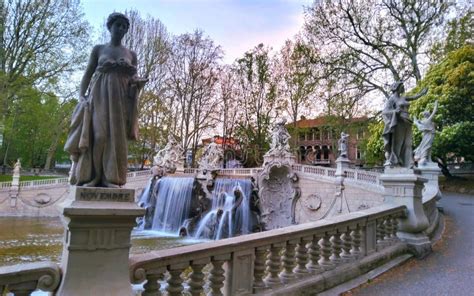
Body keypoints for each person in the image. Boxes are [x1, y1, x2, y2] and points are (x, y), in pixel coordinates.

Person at [65, 12, 147, 187]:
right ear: (110, 27)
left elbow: (133, 79)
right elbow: (88, 74)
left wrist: (138, 83)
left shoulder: (131, 54)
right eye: (118, 25)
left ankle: (111, 179)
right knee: (99, 136)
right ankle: (93, 177)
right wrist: (81, 96)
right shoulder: (99, 49)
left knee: (116, 139)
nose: (121, 29)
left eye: (124, 27)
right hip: (99, 95)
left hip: (120, 98)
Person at [382, 81, 427, 168]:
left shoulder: (403, 97)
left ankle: (409, 163)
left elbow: (414, 97)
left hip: (407, 122)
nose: (403, 87)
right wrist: (395, 111)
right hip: (399, 122)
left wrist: (422, 93)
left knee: (408, 143)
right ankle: (396, 162)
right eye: (402, 86)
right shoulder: (392, 99)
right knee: (399, 143)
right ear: (397, 88)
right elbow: (385, 112)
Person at [414, 101, 438, 165]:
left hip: (428, 135)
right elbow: (434, 111)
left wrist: (416, 120)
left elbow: (418, 123)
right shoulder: (428, 120)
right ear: (428, 115)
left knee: (428, 146)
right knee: (427, 146)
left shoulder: (423, 121)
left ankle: (429, 160)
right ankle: (424, 158)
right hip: (429, 135)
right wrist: (436, 105)